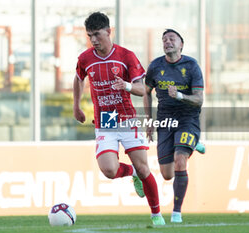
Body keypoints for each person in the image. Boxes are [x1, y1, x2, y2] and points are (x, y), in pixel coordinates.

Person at [73, 12, 165, 225]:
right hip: (105, 119)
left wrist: (126, 86)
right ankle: (130, 172)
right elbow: (78, 78)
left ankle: (156, 215)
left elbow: (143, 90)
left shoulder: (126, 56)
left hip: (126, 118)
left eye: (97, 34)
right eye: (89, 36)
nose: (93, 40)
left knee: (145, 169)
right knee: (109, 170)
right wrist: (76, 105)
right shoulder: (85, 58)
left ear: (108, 31)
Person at [143, 29, 204, 223]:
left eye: (172, 39)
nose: (167, 42)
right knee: (167, 174)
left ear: (181, 45)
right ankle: (193, 144)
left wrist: (179, 95)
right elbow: (145, 92)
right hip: (165, 121)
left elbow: (199, 99)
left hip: (188, 119)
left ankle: (176, 213)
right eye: (164, 40)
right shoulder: (155, 66)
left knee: (180, 159)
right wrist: (149, 120)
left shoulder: (191, 66)